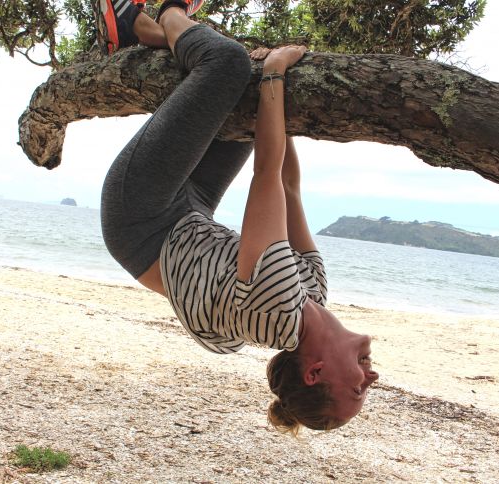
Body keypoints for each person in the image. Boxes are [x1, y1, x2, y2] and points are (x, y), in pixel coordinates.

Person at [97, 0, 378, 433]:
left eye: (359, 389)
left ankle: (162, 14)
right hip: (192, 217)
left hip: (141, 220)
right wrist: (274, 90)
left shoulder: (277, 310)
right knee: (252, 101)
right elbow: (288, 186)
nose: (372, 378)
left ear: (314, 373)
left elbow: (265, 175)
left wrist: (276, 72)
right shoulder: (314, 294)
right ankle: (146, 34)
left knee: (228, 63)